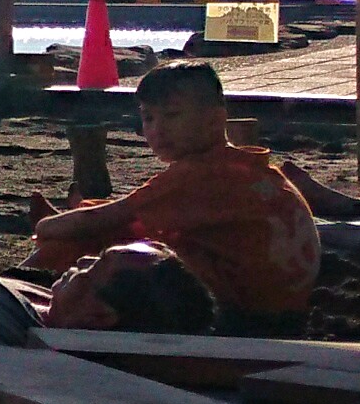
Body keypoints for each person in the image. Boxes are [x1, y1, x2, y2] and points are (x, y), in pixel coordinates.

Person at [26, 59, 321, 335]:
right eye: (148, 118)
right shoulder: (250, 167)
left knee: (93, 237)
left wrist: (46, 227)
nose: (158, 129)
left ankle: (29, 274)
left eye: (172, 115)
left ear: (215, 120)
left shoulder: (200, 174)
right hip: (286, 305)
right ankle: (69, 216)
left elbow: (104, 219)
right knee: (134, 225)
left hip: (242, 313)